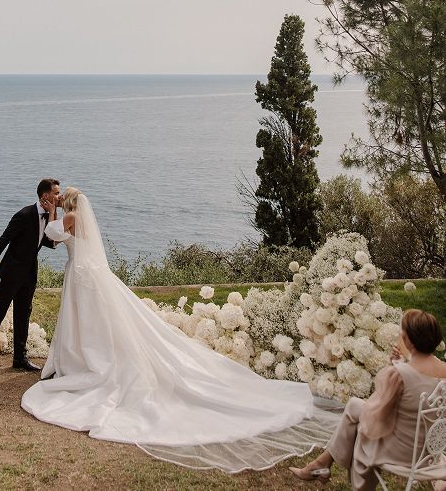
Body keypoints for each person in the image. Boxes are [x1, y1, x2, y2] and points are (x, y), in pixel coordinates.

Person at [21, 187, 339, 473]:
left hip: (83, 277)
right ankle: (82, 361)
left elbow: (52, 233)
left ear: (71, 203)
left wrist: (51, 210)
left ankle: (87, 365)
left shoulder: (70, 217)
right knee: (90, 325)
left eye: (64, 197)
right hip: (85, 276)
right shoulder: (77, 216)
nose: (60, 199)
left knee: (88, 325)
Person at [289, 309, 446, 488]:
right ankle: (321, 464)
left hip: (402, 454)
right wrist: (403, 365)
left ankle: (324, 465)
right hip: (430, 451)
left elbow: (375, 417)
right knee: (356, 407)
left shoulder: (399, 375)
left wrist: (397, 368)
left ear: (408, 339)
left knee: (358, 429)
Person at [0, 177, 60, 378]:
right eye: (56, 193)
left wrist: (53, 213)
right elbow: (4, 238)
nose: (59, 196)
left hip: (30, 273)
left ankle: (19, 359)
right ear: (45, 195)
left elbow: (52, 240)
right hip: (10, 273)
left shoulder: (49, 216)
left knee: (23, 314)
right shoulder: (24, 215)